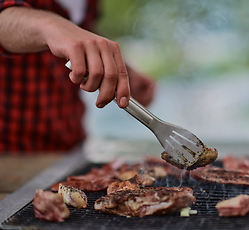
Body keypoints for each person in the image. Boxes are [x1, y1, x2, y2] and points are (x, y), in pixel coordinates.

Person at [0, 0, 156, 152]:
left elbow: (80, 34)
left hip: (70, 145)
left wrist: (119, 70)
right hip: (11, 151)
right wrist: (51, 26)